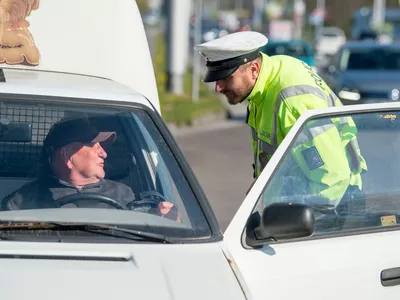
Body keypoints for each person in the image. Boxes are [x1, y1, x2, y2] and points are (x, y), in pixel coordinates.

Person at [194, 31, 368, 226]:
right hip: (298, 208)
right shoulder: (264, 82)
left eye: (226, 78)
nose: (218, 87)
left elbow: (331, 180)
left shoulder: (292, 101)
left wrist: (287, 225)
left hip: (326, 215)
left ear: (253, 69)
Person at [0, 117, 178, 220]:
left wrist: (167, 218)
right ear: (68, 155)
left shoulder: (124, 193)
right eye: (95, 145)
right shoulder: (23, 202)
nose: (104, 154)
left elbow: (149, 236)